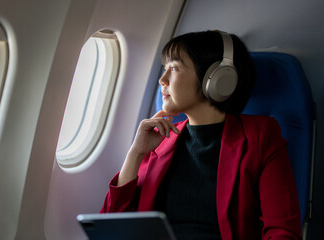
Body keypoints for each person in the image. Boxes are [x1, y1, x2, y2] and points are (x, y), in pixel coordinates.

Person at [101, 30, 302, 240]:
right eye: (164, 69)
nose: (162, 79)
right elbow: (110, 229)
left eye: (175, 68)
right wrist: (135, 153)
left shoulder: (260, 136)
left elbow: (283, 232)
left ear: (217, 78)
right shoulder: (160, 139)